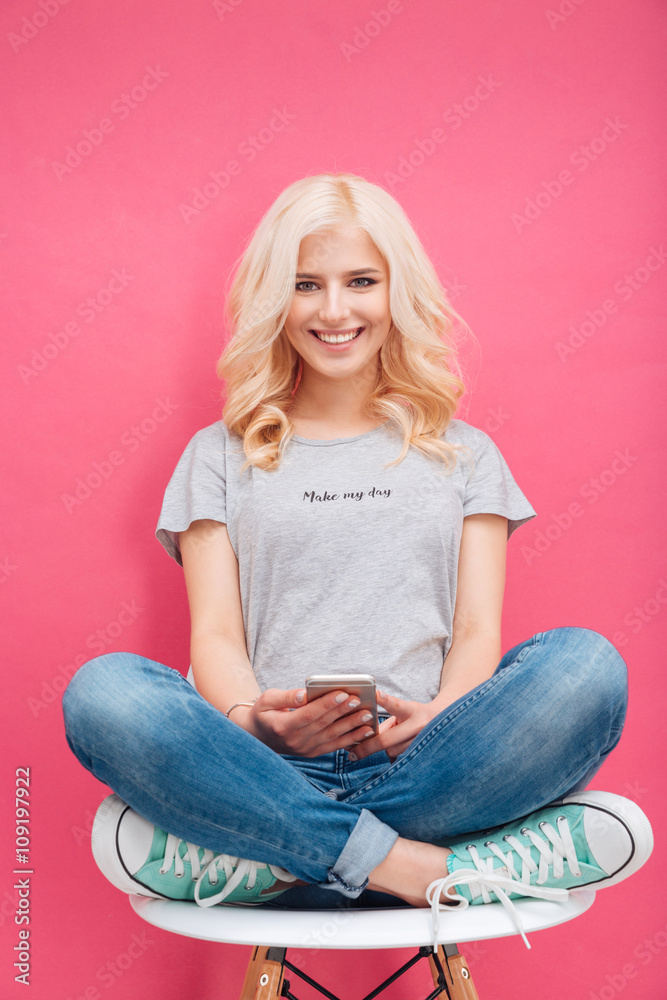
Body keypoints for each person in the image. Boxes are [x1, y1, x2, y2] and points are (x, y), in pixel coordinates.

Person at [62, 173, 652, 950]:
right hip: (266, 770)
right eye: (306, 285)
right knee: (103, 692)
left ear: (394, 292)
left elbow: (477, 632)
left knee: (585, 667)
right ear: (275, 299)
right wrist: (256, 726)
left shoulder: (466, 456)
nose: (334, 311)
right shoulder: (217, 457)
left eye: (360, 282)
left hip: (431, 769)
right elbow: (215, 640)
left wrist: (437, 721)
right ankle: (432, 869)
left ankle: (271, 860)